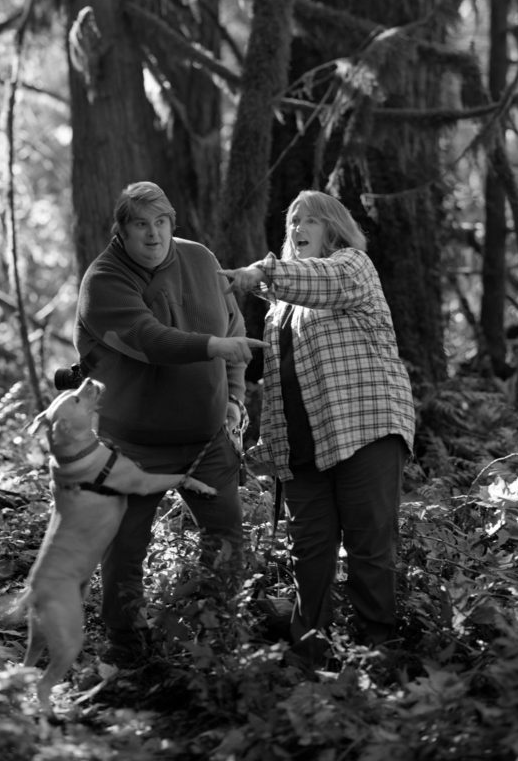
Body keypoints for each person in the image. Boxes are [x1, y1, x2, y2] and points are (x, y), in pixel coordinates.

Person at [73, 180, 263, 666]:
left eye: (161, 223)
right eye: (141, 225)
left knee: (226, 539)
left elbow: (234, 330)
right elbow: (150, 339)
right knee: (126, 545)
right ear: (121, 230)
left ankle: (212, 633)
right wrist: (211, 348)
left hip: (206, 440)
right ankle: (125, 642)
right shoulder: (104, 281)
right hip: (133, 445)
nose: (153, 236)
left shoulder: (200, 259)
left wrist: (235, 399)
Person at [221, 190, 416, 661]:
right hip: (302, 448)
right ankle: (308, 656)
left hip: (364, 430)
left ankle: (375, 655)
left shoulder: (352, 267)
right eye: (291, 222)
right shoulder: (281, 307)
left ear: (333, 227)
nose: (297, 228)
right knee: (309, 554)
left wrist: (256, 274)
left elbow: (321, 281)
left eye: (309, 219)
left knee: (369, 547)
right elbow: (281, 381)